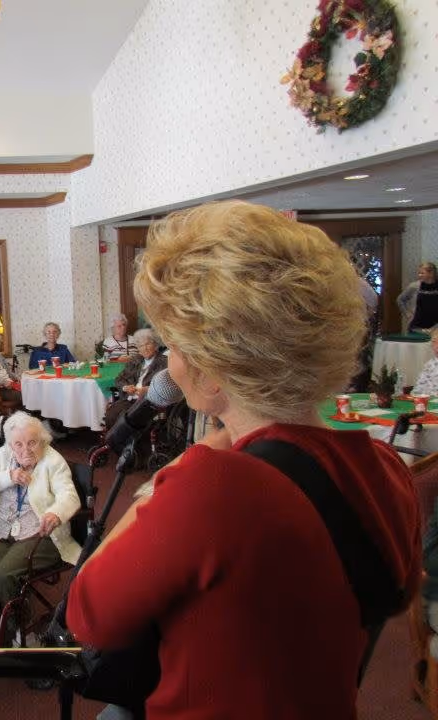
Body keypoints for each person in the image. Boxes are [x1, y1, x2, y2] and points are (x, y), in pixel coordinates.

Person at [65, 201, 420, 719]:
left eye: (174, 346)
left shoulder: (209, 485)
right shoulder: (386, 468)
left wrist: (169, 477)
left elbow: (88, 614)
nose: (171, 362)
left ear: (213, 374)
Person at [0, 412, 79, 668]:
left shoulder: (53, 461)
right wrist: (7, 478)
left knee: (5, 576)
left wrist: (55, 514)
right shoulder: (4, 456)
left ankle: (22, 633)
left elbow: (69, 496)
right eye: (18, 444)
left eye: (32, 442)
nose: (25, 449)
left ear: (42, 440)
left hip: (41, 533)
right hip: (1, 530)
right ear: (10, 444)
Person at [102, 328, 167, 429]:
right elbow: (119, 379)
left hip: (148, 402)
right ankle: (116, 442)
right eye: (141, 346)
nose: (145, 348)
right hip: (130, 399)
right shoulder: (135, 360)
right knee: (111, 415)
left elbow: (166, 385)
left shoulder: (163, 362)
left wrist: (148, 390)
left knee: (125, 419)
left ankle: (127, 442)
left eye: (148, 344)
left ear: (155, 345)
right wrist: (125, 387)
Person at [398, 261, 438, 333]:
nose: (419, 275)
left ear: (431, 274)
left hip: (435, 328)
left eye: (422, 273)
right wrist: (408, 314)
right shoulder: (414, 286)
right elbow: (400, 300)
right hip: (417, 327)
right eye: (419, 273)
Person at [412, 328, 438, 396]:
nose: (436, 347)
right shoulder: (430, 364)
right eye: (434, 342)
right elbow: (418, 389)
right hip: (428, 402)